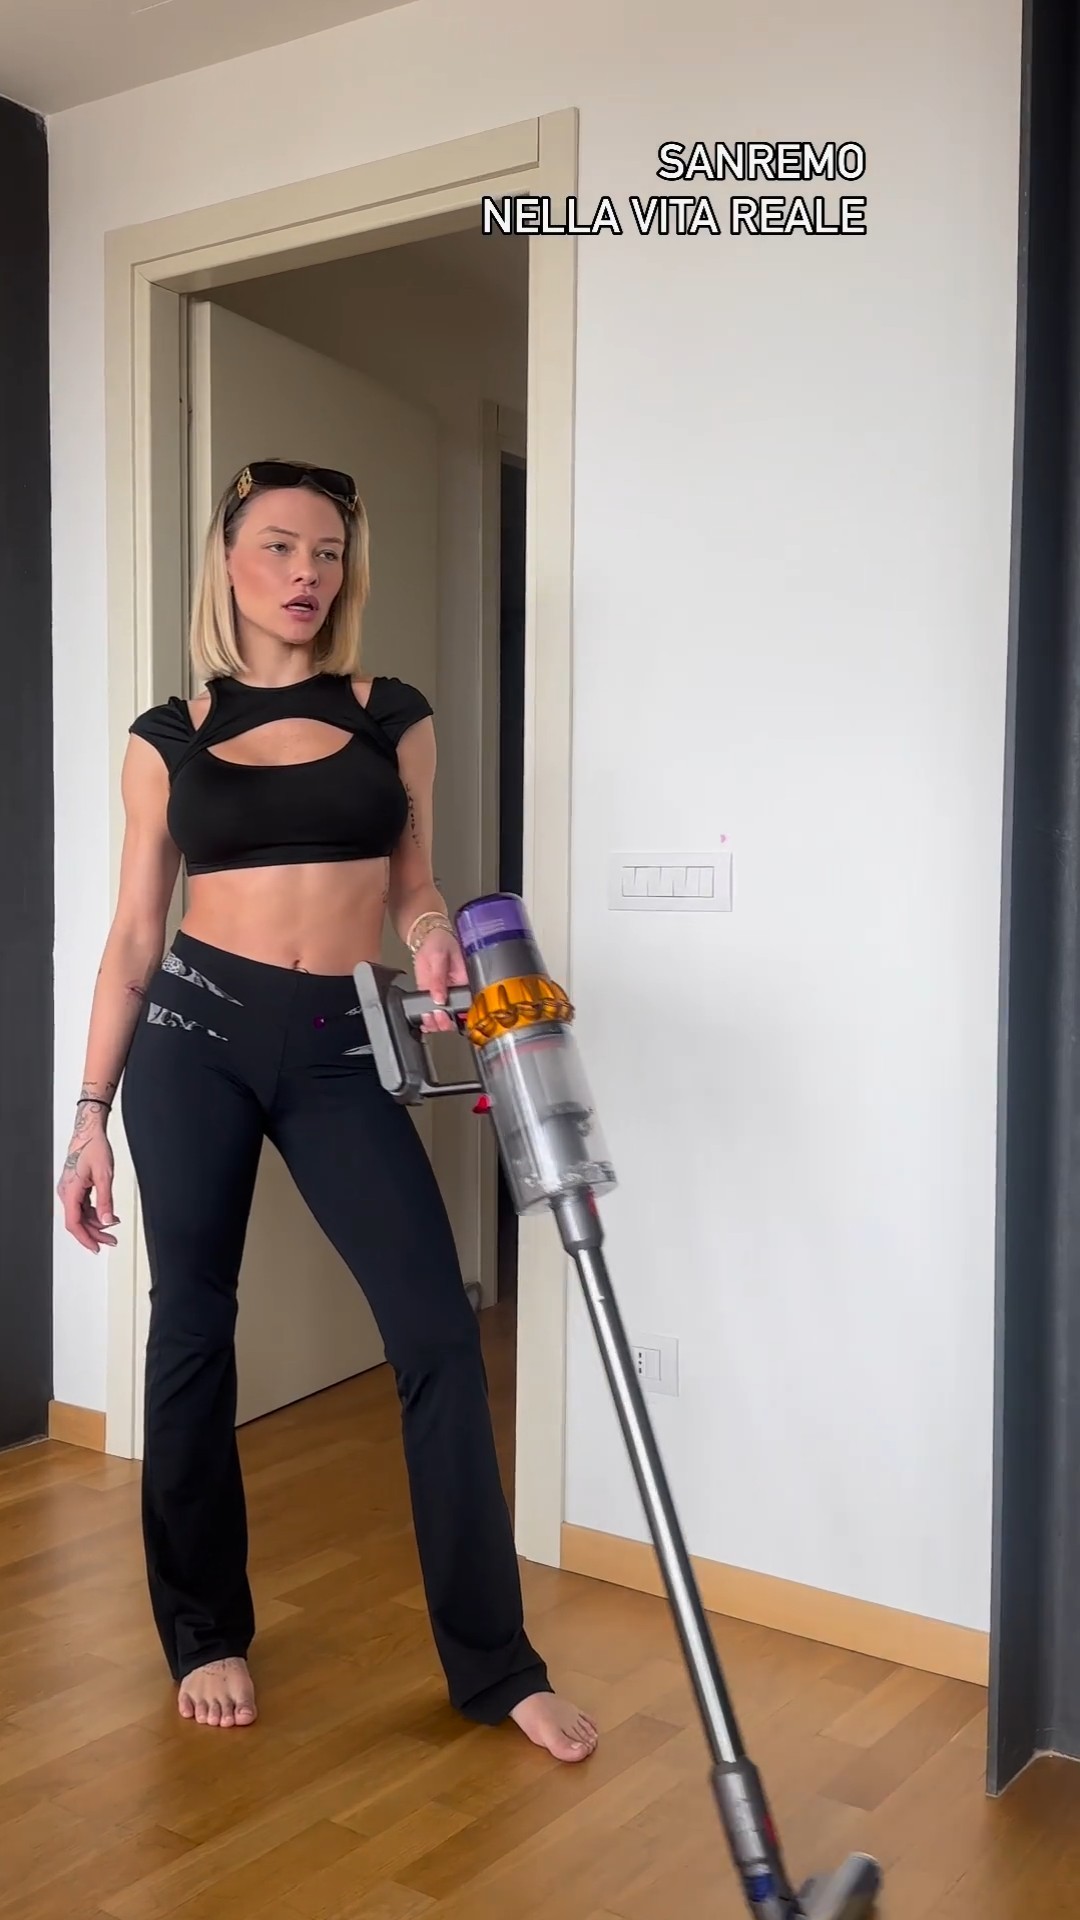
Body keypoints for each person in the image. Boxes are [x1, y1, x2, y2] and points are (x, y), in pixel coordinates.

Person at [56, 456, 597, 1761]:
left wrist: (433, 937)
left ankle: (495, 1665)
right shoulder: (168, 736)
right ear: (227, 560)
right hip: (193, 1034)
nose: (307, 574)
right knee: (193, 1327)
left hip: (341, 1045)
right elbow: (134, 935)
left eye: (329, 553)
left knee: (437, 1334)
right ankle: (205, 1631)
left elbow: (415, 884)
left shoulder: (388, 713)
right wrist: (87, 1114)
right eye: (280, 547)